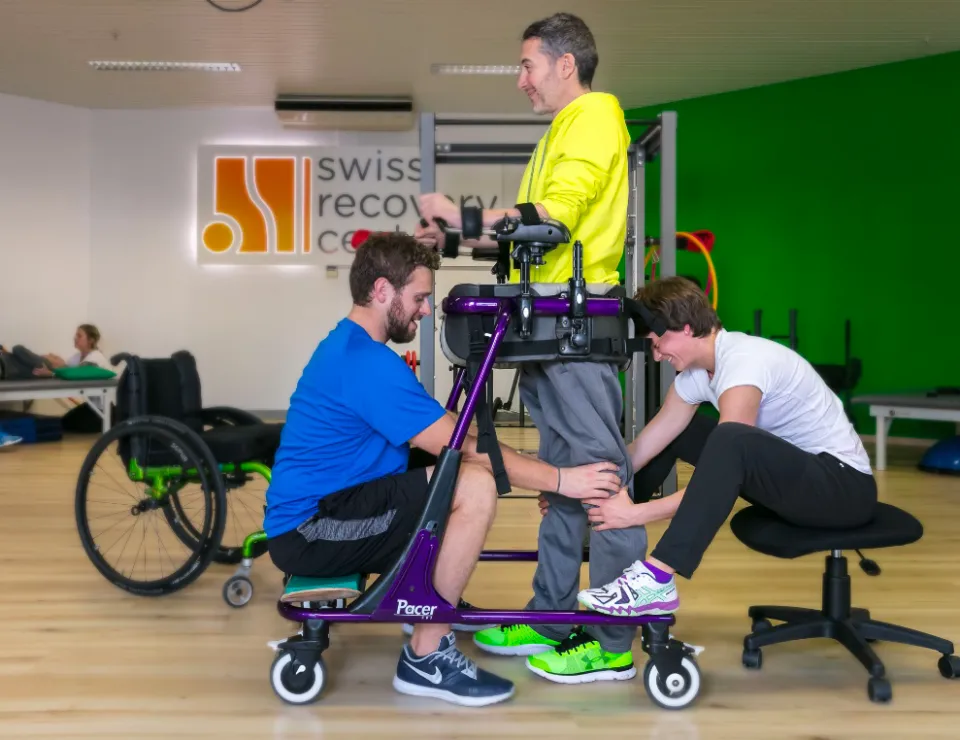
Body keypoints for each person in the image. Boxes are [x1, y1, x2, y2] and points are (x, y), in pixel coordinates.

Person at [263, 231, 624, 708]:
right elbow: (460, 447)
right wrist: (561, 480)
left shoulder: (354, 349)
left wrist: (534, 470)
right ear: (382, 290)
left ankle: (428, 601)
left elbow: (446, 430)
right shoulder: (364, 362)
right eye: (419, 297)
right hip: (311, 530)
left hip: (334, 508)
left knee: (456, 473)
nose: (426, 309)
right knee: (473, 485)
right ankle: (426, 655)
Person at [415, 12, 641, 685]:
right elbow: (530, 235)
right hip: (544, 320)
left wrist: (466, 216)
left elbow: (558, 217)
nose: (521, 80)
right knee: (566, 479)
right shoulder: (561, 131)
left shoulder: (594, 116)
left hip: (574, 325)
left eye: (527, 65)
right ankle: (550, 616)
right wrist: (455, 237)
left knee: (601, 478)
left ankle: (613, 640)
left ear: (565, 64)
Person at [575, 276, 878, 617]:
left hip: (842, 490)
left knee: (730, 439)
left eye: (659, 344)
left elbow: (723, 474)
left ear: (686, 328)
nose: (657, 356)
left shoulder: (744, 363)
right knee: (684, 431)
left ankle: (657, 578)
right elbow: (643, 448)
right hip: (798, 485)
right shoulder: (697, 376)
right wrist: (587, 489)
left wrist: (636, 514)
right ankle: (604, 521)